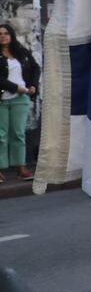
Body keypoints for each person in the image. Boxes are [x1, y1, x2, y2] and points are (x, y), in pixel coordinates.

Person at [0, 23, 40, 183]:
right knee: (1, 135)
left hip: (20, 100)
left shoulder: (21, 52)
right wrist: (17, 88)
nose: (3, 36)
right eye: (0, 34)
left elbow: (36, 68)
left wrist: (33, 86)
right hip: (2, 99)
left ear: (11, 35)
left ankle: (21, 168)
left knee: (18, 133)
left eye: (6, 33)